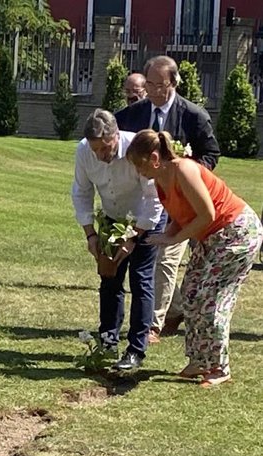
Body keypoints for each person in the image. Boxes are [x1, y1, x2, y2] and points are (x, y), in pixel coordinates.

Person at [127, 130, 262, 386]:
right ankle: (200, 360)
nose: (137, 171)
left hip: (237, 233)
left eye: (139, 164)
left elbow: (207, 214)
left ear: (154, 157)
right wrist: (165, 235)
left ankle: (219, 368)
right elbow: (182, 214)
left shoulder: (185, 170)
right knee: (190, 293)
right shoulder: (160, 180)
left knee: (211, 299)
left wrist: (173, 240)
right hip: (210, 237)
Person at [116, 55, 221, 343]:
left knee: (167, 257)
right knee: (156, 255)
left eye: (158, 85)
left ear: (173, 83)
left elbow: (211, 154)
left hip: (183, 200)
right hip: (146, 198)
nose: (151, 90)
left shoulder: (193, 115)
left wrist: (188, 173)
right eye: (148, 83)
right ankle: (168, 312)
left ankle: (155, 322)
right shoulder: (131, 115)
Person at [71, 109, 164, 370]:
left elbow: (153, 198)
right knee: (109, 278)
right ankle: (108, 342)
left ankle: (136, 350)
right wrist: (90, 234)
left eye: (105, 147)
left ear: (115, 135)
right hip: (113, 218)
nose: (100, 155)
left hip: (147, 218)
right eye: (95, 149)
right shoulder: (83, 151)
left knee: (141, 278)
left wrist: (134, 236)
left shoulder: (136, 148)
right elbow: (81, 192)